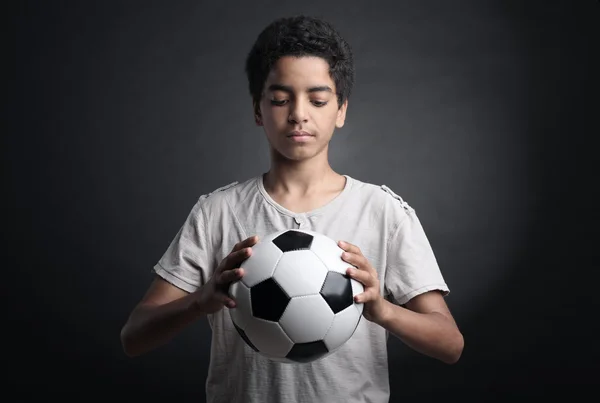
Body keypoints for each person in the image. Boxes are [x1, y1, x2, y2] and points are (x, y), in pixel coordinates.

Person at [120, 15, 464, 403]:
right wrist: (200, 302)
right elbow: (134, 337)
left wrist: (383, 310)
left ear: (340, 110)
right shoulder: (217, 212)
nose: (299, 113)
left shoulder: (382, 211)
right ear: (257, 109)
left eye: (317, 100)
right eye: (281, 99)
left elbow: (450, 344)